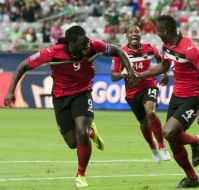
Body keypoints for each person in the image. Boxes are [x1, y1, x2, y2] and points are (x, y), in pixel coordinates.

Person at [4, 25, 139, 188]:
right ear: (71, 43)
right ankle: (91, 131)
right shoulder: (53, 52)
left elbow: (118, 50)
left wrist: (131, 71)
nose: (86, 47)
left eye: (86, 43)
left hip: (82, 93)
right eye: (82, 45)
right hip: (60, 97)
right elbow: (23, 65)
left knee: (81, 132)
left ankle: (81, 174)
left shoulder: (93, 46)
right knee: (72, 143)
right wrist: (10, 91)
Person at [137, 15, 199, 188]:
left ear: (164, 31)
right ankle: (192, 178)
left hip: (193, 97)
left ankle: (196, 141)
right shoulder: (167, 45)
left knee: (168, 133)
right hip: (177, 96)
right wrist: (139, 76)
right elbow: (163, 66)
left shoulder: (189, 48)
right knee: (173, 142)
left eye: (157, 30)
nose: (156, 33)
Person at [111, 25, 171, 163]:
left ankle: (162, 146)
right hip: (132, 92)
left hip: (149, 85)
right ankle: (152, 147)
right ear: (126, 36)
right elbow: (113, 77)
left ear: (140, 35)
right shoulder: (120, 53)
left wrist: (165, 74)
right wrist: (124, 73)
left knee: (151, 112)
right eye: (130, 32)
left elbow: (162, 61)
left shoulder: (150, 49)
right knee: (144, 123)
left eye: (136, 32)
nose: (134, 34)